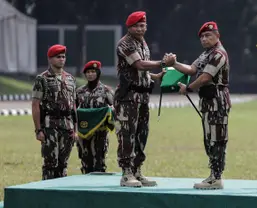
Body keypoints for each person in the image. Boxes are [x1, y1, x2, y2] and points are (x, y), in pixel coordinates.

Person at [164, 21, 231, 189]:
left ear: (217, 36)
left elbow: (205, 77)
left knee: (217, 139)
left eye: (208, 35)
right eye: (202, 37)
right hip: (208, 102)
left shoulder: (218, 54)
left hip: (217, 101)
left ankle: (216, 177)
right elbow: (192, 69)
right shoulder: (206, 53)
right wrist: (174, 64)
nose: (204, 39)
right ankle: (212, 176)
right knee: (209, 139)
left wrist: (189, 88)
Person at [114, 11, 172, 187]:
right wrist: (162, 63)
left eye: (143, 25)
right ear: (129, 27)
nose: (140, 29)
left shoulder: (143, 43)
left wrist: (156, 76)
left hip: (143, 96)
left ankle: (137, 171)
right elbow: (139, 64)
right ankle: (126, 173)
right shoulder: (125, 44)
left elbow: (142, 71)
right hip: (128, 98)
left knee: (141, 135)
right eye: (137, 26)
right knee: (127, 135)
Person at [31, 44, 78, 180]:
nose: (62, 59)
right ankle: (47, 194)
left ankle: (61, 193)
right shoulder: (42, 79)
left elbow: (73, 105)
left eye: (63, 57)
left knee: (63, 164)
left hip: (67, 126)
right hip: (50, 125)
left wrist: (75, 129)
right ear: (50, 59)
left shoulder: (70, 79)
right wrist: (38, 130)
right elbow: (35, 105)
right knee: (50, 163)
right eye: (58, 57)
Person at [76, 60, 114, 174]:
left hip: (100, 132)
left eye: (93, 71)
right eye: (87, 72)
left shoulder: (106, 90)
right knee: (85, 160)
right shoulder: (79, 91)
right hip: (83, 132)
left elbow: (113, 108)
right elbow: (73, 110)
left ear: (98, 73)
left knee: (99, 162)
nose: (90, 74)